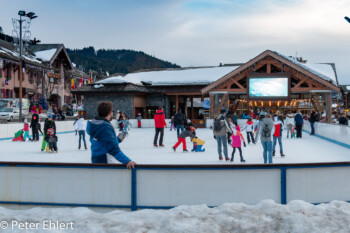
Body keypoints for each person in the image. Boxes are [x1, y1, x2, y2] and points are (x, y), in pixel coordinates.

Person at [86, 101, 136, 168]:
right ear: (110, 112)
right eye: (113, 111)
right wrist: (127, 161)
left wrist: (117, 140)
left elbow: (102, 142)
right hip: (106, 159)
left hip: (96, 158)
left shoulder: (95, 124)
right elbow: (112, 148)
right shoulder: (104, 127)